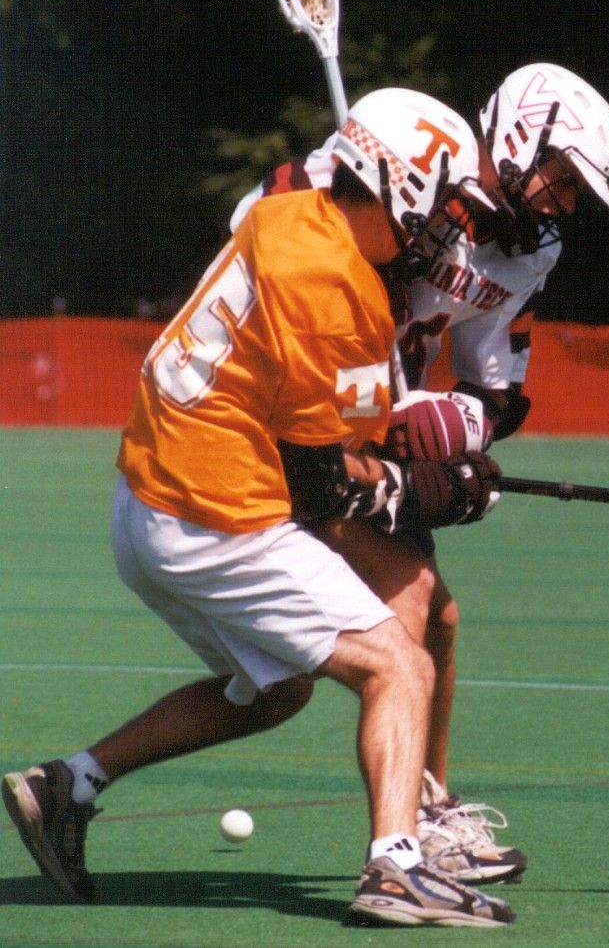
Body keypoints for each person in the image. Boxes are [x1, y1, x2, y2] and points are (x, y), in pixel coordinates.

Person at [2, 88, 515, 928]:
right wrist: (422, 489)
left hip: (145, 506)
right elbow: (324, 487)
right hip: (216, 517)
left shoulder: (287, 217)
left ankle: (70, 783)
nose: (448, 232)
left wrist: (408, 465)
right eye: (443, 207)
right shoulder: (336, 288)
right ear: (405, 188)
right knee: (400, 664)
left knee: (276, 690)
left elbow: (332, 425)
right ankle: (397, 868)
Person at [229, 63, 609, 883]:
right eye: (560, 177)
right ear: (521, 137)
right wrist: (381, 238)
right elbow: (264, 212)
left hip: (375, 430)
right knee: (410, 611)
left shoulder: (529, 252)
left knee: (431, 620)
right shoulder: (421, 152)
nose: (562, 204)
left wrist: (452, 425)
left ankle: (77, 778)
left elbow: (497, 389)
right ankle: (411, 831)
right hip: (299, 414)